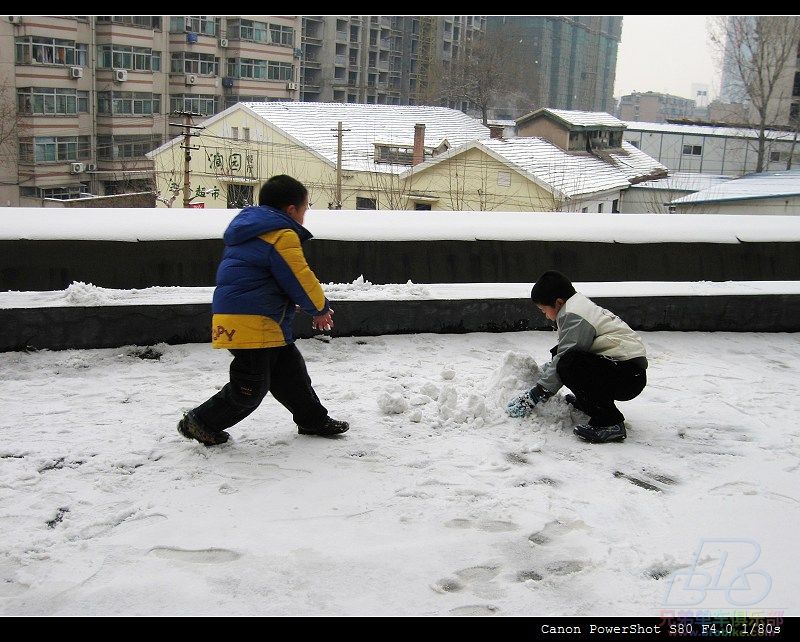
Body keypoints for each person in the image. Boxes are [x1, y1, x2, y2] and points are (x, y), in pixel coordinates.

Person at [177, 174, 349, 446]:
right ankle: (201, 421)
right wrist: (319, 309)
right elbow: (299, 276)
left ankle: (312, 419)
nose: (305, 216)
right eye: (305, 209)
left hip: (253, 318)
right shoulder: (281, 234)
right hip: (253, 321)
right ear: (291, 210)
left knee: (291, 373)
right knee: (249, 388)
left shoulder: (252, 230)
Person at [506, 270, 647, 443]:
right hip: (624, 371)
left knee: (569, 364)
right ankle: (590, 402)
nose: (544, 315)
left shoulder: (575, 315)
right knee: (563, 357)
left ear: (558, 303)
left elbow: (566, 356)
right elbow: (566, 350)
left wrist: (536, 394)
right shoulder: (577, 306)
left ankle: (609, 422)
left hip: (627, 375)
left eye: (543, 310)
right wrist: (548, 370)